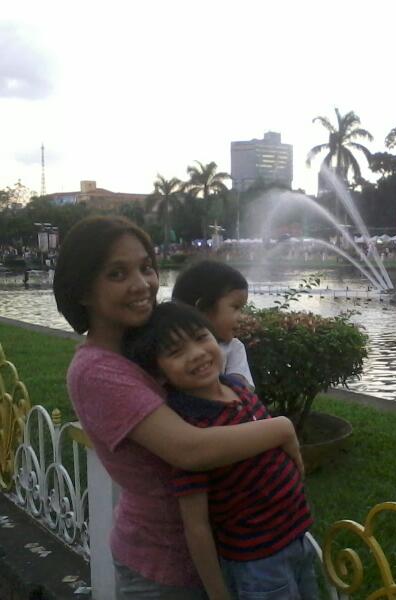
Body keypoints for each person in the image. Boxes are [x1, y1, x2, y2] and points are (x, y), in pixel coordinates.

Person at [53, 216, 303, 599]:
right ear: (84, 289)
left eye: (146, 267)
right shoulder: (98, 371)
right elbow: (190, 449)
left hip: (230, 550)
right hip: (164, 568)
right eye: (117, 274)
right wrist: (281, 427)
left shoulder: (141, 345)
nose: (142, 285)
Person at [122, 301, 319, 600]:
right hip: (258, 564)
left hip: (297, 539)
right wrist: (217, 593)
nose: (198, 353)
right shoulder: (191, 427)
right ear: (159, 374)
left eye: (201, 338)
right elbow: (196, 525)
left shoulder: (237, 390)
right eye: (176, 352)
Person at [172, 260, 254, 389]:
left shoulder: (234, 348)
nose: (242, 317)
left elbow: (243, 390)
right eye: (236, 307)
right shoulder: (169, 348)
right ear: (203, 308)